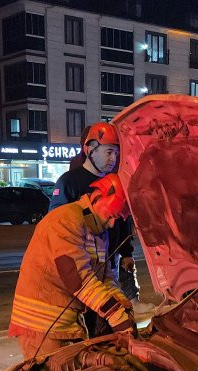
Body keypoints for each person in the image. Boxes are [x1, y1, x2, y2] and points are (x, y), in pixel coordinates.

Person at [9, 173, 134, 358]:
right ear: (97, 198)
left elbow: (105, 278)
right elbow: (79, 280)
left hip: (65, 325)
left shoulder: (97, 230)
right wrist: (116, 317)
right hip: (40, 326)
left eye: (117, 218)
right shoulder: (66, 220)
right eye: (111, 216)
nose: (112, 223)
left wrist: (123, 305)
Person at [49, 122, 138, 329]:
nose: (113, 159)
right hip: (81, 267)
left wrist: (126, 252)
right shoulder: (69, 182)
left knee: (107, 321)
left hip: (108, 262)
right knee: (88, 319)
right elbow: (56, 224)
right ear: (89, 149)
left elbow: (122, 220)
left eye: (116, 153)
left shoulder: (114, 182)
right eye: (109, 152)